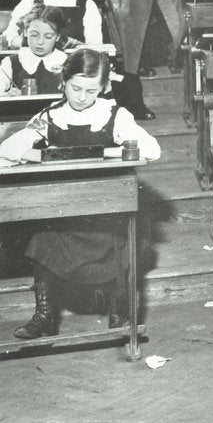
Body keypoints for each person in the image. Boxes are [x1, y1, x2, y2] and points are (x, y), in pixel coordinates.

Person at [0, 49, 160, 338]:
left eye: (91, 90)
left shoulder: (115, 115)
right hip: (63, 212)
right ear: (64, 81)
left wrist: (106, 151)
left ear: (103, 87)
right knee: (40, 235)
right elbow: (7, 149)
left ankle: (119, 311)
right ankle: (45, 316)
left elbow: (151, 150)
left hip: (106, 212)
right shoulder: (50, 116)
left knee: (125, 233)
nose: (82, 96)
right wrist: (42, 156)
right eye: (75, 88)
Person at [0, 4, 68, 95]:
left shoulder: (67, 62)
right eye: (34, 35)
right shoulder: (11, 62)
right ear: (25, 32)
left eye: (48, 37)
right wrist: (6, 95)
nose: (40, 42)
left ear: (58, 37)